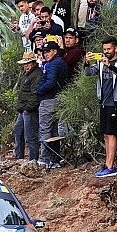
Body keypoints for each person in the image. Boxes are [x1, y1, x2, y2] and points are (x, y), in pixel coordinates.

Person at [84, 37, 117, 177]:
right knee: (106, 134)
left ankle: (110, 165)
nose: (106, 52)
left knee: (112, 133)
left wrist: (110, 66)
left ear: (116, 48)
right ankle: (108, 163)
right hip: (103, 102)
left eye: (109, 49)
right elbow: (88, 73)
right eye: (104, 49)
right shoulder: (101, 62)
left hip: (115, 102)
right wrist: (86, 62)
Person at [36, 40, 69, 168]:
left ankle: (44, 159)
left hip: (49, 100)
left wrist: (39, 90)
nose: (45, 54)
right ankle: (55, 158)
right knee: (54, 131)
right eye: (44, 52)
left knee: (45, 129)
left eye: (48, 51)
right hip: (59, 98)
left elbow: (51, 82)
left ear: (54, 51)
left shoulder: (52, 65)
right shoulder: (61, 62)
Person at [13, 51, 42, 161]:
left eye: (28, 63)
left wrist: (28, 108)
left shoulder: (37, 74)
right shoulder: (27, 74)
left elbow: (35, 94)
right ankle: (19, 156)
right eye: (25, 64)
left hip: (29, 109)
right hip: (23, 108)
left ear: (33, 63)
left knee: (30, 136)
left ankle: (33, 160)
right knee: (18, 130)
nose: (26, 66)